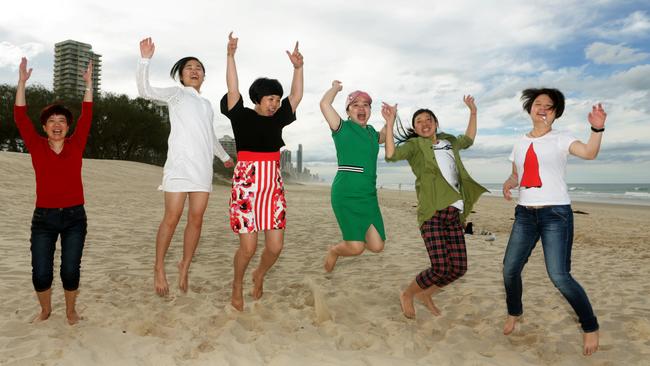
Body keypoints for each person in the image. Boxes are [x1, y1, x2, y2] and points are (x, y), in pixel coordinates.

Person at [501, 88, 606, 356]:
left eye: (549, 105)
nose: (543, 108)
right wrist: (509, 183)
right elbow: (517, 174)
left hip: (555, 215)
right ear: (529, 109)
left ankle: (590, 326)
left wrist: (597, 130)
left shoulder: (562, 138)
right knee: (510, 269)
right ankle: (515, 312)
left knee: (559, 275)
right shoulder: (519, 142)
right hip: (525, 213)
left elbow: (589, 153)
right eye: (538, 104)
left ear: (556, 113)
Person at [137, 37, 234, 296]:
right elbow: (145, 91)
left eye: (199, 68)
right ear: (181, 75)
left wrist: (224, 156)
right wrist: (144, 59)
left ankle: (184, 264)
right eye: (189, 67)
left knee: (197, 219)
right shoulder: (176, 94)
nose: (194, 70)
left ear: (203, 76)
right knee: (172, 218)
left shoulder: (206, 104)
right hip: (179, 168)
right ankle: (158, 267)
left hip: (202, 169)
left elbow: (209, 136)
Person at [221, 32, 303, 311]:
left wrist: (298, 68)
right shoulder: (241, 115)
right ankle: (236, 283)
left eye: (277, 100)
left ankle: (259, 274)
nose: (275, 104)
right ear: (258, 98)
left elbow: (297, 95)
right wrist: (231, 56)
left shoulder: (279, 118)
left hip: (272, 186)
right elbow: (233, 88)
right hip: (246, 184)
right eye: (270, 99)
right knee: (248, 247)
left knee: (276, 247)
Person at [385, 96, 487, 319]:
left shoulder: (449, 141)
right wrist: (391, 122)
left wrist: (473, 112)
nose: (424, 123)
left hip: (454, 214)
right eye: (419, 121)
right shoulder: (414, 146)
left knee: (458, 268)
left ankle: (426, 294)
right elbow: (391, 155)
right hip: (432, 214)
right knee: (440, 267)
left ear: (436, 123)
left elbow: (468, 139)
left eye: (428, 119)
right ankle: (408, 294)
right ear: (414, 127)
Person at [14, 57, 93, 325]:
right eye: (52, 121)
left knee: (70, 271)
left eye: (62, 121)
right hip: (43, 219)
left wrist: (88, 85)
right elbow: (19, 116)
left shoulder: (76, 145)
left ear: (68, 127)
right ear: (45, 127)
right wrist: (22, 83)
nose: (57, 124)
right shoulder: (36, 146)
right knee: (41, 273)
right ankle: (46, 310)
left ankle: (71, 310)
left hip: (74, 218)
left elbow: (88, 114)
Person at [319, 81, 389, 272]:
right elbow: (325, 104)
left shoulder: (371, 133)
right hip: (346, 194)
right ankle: (334, 251)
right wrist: (335, 88)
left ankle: (346, 244)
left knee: (377, 246)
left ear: (369, 110)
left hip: (368, 196)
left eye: (365, 105)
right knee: (356, 247)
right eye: (355, 105)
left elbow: (383, 136)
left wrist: (389, 120)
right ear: (348, 111)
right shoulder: (342, 128)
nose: (361, 108)